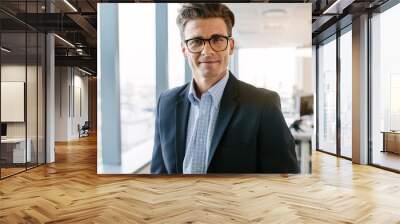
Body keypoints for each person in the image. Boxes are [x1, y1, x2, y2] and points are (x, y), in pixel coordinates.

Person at [151, 3, 299, 174]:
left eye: (217, 40)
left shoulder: (263, 105)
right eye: (197, 41)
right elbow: (158, 176)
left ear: (230, 46)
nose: (207, 51)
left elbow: (284, 180)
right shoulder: (166, 102)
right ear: (184, 49)